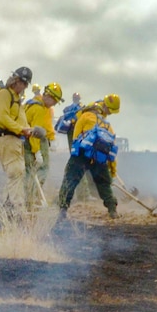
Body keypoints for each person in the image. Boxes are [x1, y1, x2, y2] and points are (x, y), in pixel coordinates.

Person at [57, 95, 121, 223]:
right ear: (105, 108)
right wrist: (112, 172)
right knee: (104, 184)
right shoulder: (108, 127)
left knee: (69, 181)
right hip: (98, 158)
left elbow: (75, 138)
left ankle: (62, 211)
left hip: (80, 155)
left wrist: (75, 155)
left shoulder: (84, 116)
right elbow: (111, 151)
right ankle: (112, 210)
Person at [0, 67, 35, 213]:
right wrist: (21, 129)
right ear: (14, 80)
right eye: (21, 82)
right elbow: (2, 117)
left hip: (15, 139)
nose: (23, 86)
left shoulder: (17, 98)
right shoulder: (4, 94)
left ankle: (8, 206)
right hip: (5, 138)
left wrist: (29, 130)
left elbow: (22, 119)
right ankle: (18, 210)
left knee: (16, 172)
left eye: (25, 84)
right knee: (16, 172)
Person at [24, 82, 62, 207]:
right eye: (54, 101)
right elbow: (36, 132)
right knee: (42, 169)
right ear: (48, 97)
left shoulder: (31, 103)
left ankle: (29, 200)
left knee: (29, 171)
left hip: (25, 141)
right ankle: (33, 199)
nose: (54, 104)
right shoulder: (39, 109)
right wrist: (37, 151)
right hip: (34, 143)